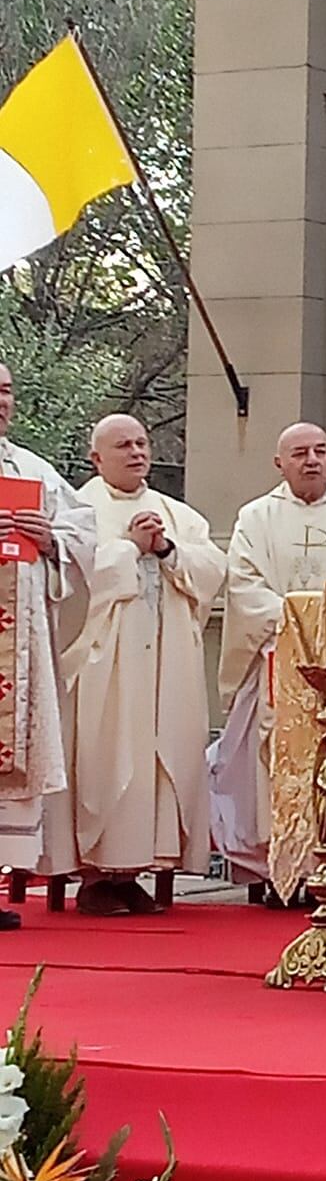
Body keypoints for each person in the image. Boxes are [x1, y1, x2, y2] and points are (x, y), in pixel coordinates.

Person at [48, 415, 226, 915]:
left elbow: (212, 570)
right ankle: (97, 876)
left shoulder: (176, 513)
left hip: (167, 662)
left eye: (142, 443)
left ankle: (140, 868)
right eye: (122, 445)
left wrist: (166, 548)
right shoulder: (79, 509)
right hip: (107, 665)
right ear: (96, 458)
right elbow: (71, 579)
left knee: (160, 757)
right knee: (110, 758)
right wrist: (128, 547)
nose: (136, 452)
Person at [212, 423, 326, 887]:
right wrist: (299, 623)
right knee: (275, 757)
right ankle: (278, 869)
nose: (311, 460)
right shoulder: (256, 517)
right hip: (279, 657)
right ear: (278, 463)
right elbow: (244, 584)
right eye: (300, 452)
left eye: (321, 451)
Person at [0, 366, 96, 929]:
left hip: (18, 645)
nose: (2, 402)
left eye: (8, 390)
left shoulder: (32, 469)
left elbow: (84, 532)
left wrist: (51, 539)